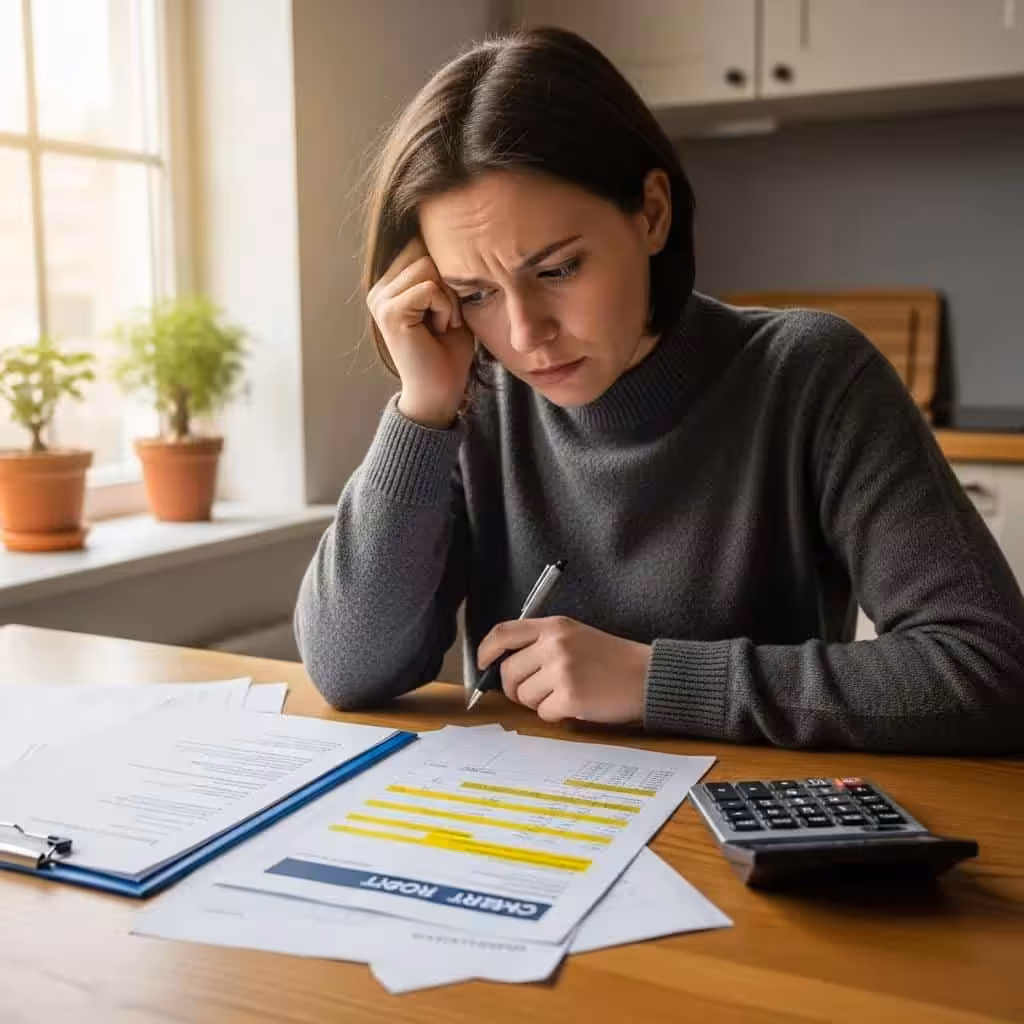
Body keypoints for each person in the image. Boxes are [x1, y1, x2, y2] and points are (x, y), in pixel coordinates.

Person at [294, 26, 1024, 752]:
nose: (524, 334)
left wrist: (657, 681)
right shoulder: (472, 396)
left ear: (651, 212)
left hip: (746, 833)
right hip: (526, 829)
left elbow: (991, 670)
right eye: (475, 292)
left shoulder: (812, 375)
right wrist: (421, 413)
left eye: (556, 270)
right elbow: (346, 669)